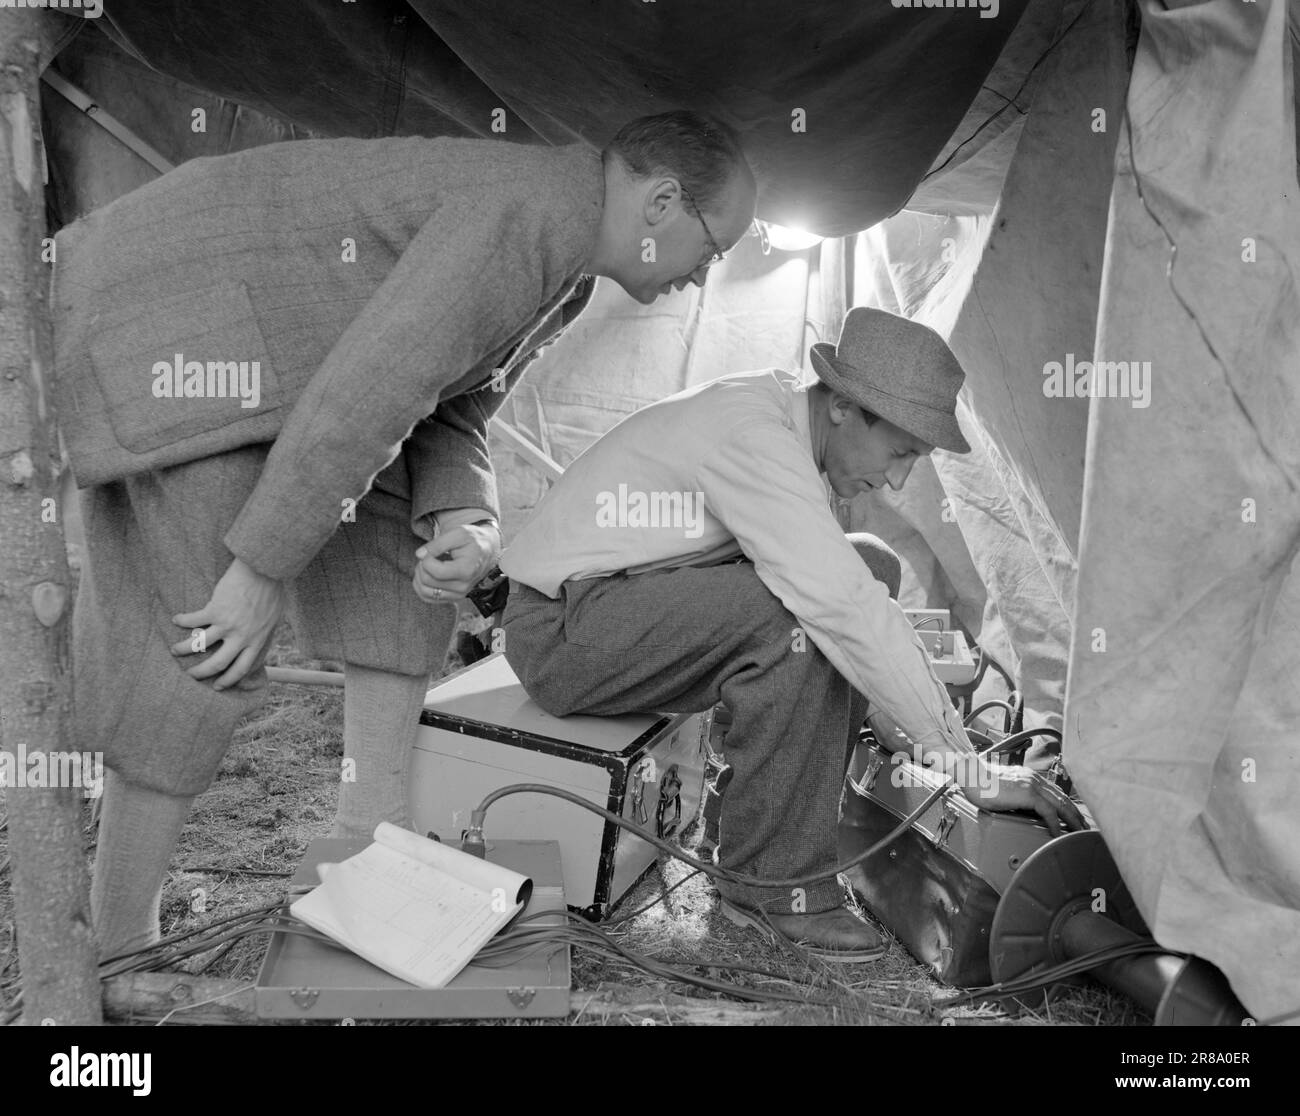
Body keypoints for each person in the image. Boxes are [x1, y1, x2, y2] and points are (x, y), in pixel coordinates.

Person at [54, 110, 757, 957]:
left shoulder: (566, 267)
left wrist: (466, 511)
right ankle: (119, 945)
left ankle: (367, 852)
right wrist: (260, 570)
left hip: (285, 372)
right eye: (713, 250)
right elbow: (369, 391)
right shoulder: (530, 215)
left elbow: (446, 399)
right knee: (201, 642)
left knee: (400, 578)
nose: (703, 278)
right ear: (663, 202)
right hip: (180, 338)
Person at [496, 307, 1084, 961]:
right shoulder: (755, 436)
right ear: (842, 407)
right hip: (561, 631)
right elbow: (840, 607)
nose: (897, 480)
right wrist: (964, 766)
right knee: (801, 612)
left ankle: (736, 820)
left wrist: (904, 725)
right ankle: (771, 886)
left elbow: (851, 587)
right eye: (899, 452)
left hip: (607, 606)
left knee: (869, 562)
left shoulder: (784, 412)